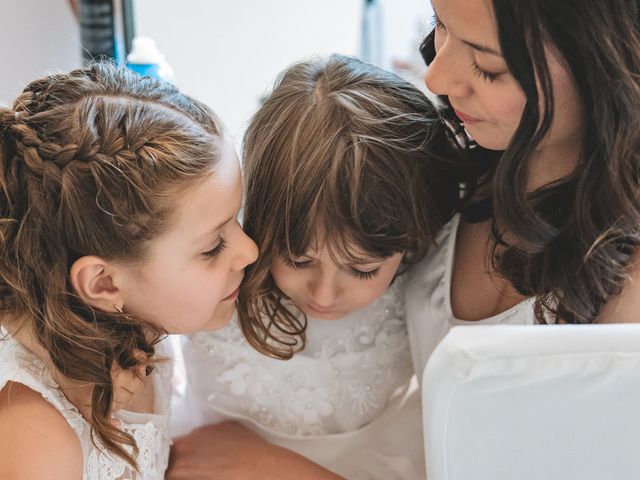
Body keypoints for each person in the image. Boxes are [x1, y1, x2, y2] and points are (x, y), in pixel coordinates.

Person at [168, 54, 461, 479]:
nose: (324, 295)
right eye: (298, 259)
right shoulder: (211, 264)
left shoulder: (430, 270)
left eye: (362, 270)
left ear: (413, 241)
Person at [0, 63, 258, 479]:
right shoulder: (34, 440)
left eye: (237, 218)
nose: (250, 250)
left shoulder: (134, 326)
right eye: (212, 247)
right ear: (103, 283)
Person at [406, 0, 640, 377]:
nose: (435, 79)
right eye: (440, 24)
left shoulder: (627, 282)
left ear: (601, 67)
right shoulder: (443, 163)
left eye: (488, 67)